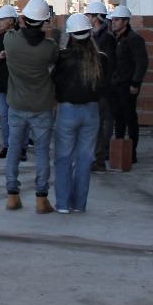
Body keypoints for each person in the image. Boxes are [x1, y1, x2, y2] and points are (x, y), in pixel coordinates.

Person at [3, 0, 60, 213]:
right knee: (42, 153)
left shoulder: (10, 40)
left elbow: (14, 32)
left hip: (16, 104)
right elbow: (55, 58)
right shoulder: (49, 47)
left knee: (14, 150)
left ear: (24, 18)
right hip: (41, 106)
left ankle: (12, 196)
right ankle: (41, 199)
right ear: (44, 21)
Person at [51, 14, 108, 213]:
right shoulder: (101, 59)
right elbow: (105, 86)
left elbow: (53, 80)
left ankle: (62, 204)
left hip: (67, 110)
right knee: (84, 160)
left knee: (63, 158)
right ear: (89, 33)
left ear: (70, 35)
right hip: (91, 111)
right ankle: (79, 204)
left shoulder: (62, 57)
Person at [107, 5, 148, 165]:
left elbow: (141, 62)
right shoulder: (114, 38)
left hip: (127, 85)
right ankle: (119, 152)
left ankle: (131, 153)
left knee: (130, 118)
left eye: (117, 20)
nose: (114, 23)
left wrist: (135, 83)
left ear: (125, 21)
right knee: (118, 118)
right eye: (113, 20)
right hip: (114, 84)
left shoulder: (133, 39)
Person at [83, 0, 116, 172]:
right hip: (96, 87)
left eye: (89, 15)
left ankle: (99, 159)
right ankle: (97, 158)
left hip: (101, 88)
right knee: (95, 124)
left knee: (98, 125)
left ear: (96, 17)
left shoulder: (106, 37)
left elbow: (106, 64)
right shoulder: (96, 35)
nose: (88, 18)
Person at [0, 4, 18, 158]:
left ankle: (20, 147)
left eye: (2, 19)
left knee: (18, 116)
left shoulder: (21, 37)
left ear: (11, 20)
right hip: (2, 82)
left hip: (17, 83)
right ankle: (6, 145)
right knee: (4, 115)